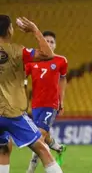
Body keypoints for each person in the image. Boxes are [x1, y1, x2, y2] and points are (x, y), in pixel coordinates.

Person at [0, 15, 63, 173]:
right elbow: (48, 54)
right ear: (9, 30)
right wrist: (35, 30)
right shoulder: (17, 51)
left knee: (3, 149)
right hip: (12, 113)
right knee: (42, 149)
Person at [26, 31, 68, 173]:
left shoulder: (61, 60)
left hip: (51, 104)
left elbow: (63, 79)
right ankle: (58, 147)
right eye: (46, 41)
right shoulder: (32, 61)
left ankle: (31, 169)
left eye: (51, 42)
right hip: (36, 104)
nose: (49, 44)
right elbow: (22, 79)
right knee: (42, 135)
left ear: (55, 45)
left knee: (38, 136)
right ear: (41, 42)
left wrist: (61, 100)